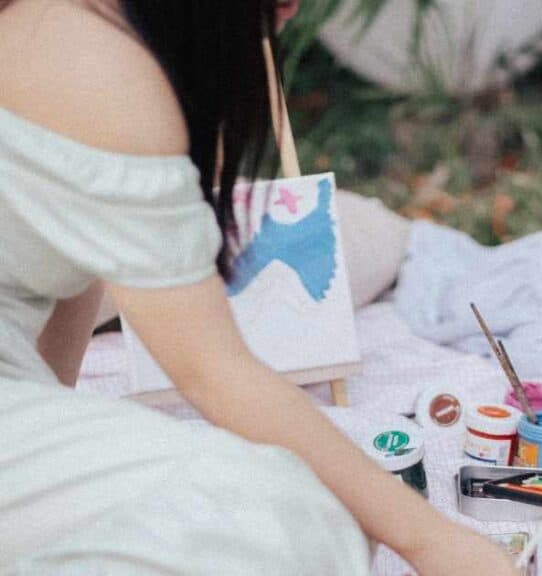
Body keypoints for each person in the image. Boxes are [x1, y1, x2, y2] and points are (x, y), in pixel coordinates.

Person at [0, 1, 514, 573]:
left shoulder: (73, 34)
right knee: (290, 516)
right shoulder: (98, 67)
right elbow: (212, 373)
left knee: (319, 504)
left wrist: (56, 420)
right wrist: (436, 542)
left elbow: (78, 260)